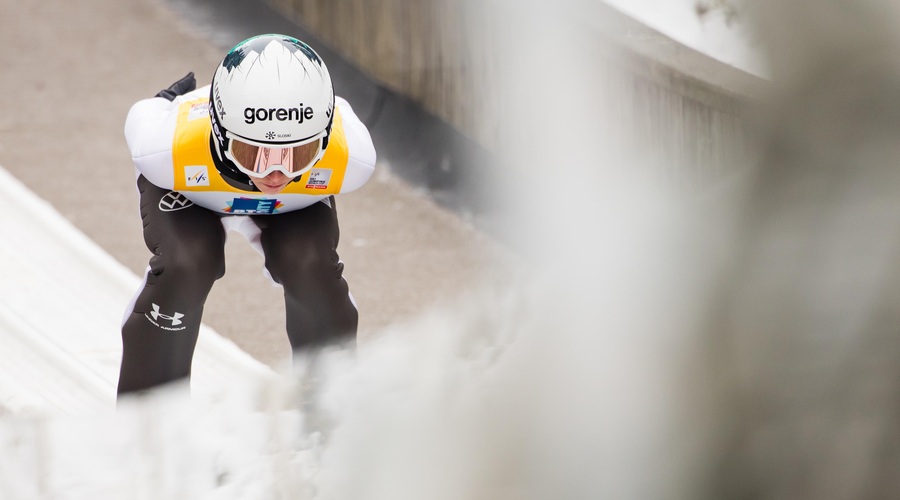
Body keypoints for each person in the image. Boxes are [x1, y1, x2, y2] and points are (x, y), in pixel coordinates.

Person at [118, 34, 376, 395]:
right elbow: (140, 116)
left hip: (285, 202)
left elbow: (340, 109)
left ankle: (330, 417)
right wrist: (165, 104)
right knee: (185, 266)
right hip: (196, 194)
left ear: (321, 140)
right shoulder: (166, 148)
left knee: (309, 265)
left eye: (297, 154)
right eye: (252, 153)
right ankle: (148, 428)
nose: (275, 175)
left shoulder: (351, 156)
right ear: (222, 136)